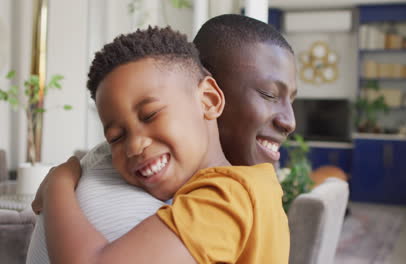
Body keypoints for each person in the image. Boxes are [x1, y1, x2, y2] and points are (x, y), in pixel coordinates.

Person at [27, 14, 297, 263]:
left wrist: (59, 181)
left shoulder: (226, 197)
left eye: (150, 115)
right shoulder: (251, 188)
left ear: (209, 100)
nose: (134, 145)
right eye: (116, 137)